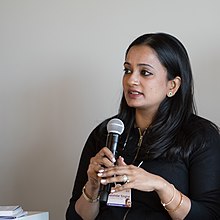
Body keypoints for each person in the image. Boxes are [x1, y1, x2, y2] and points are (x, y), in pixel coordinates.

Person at [66, 33, 220, 220]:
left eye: (145, 72)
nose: (132, 80)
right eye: (127, 70)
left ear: (172, 85)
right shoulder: (105, 133)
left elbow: (210, 216)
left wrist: (160, 186)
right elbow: (74, 217)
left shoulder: (201, 136)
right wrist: (92, 186)